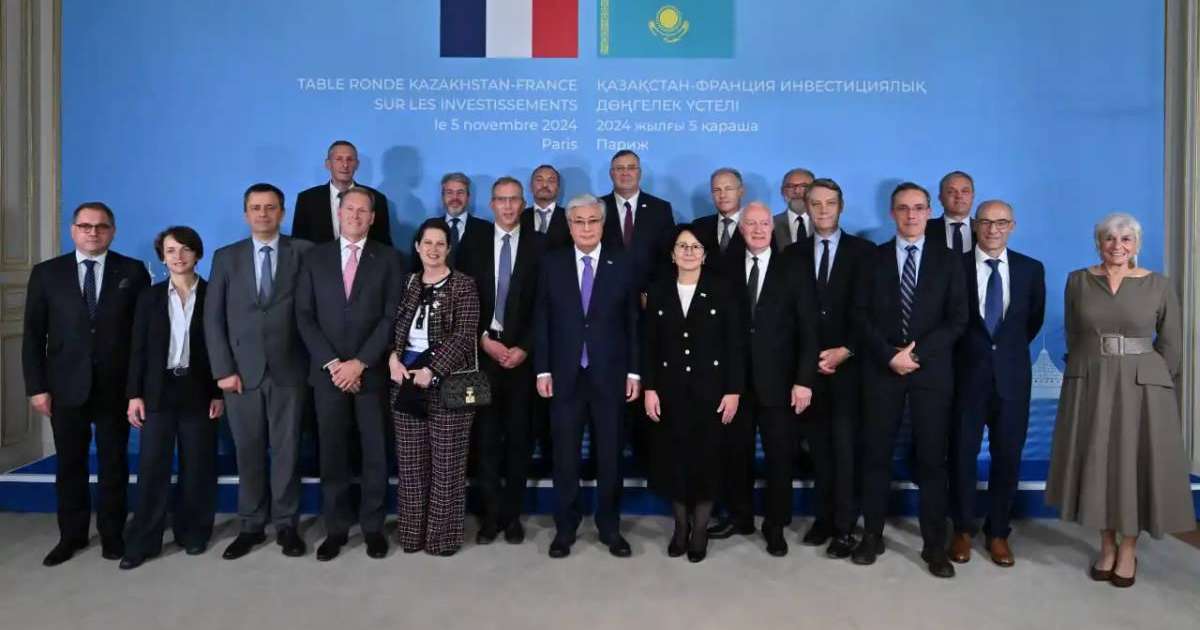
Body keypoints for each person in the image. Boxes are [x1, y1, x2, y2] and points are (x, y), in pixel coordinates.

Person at [1046, 212, 1195, 588]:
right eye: (1109, 239)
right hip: (1091, 383)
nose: (1117, 246)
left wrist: (1156, 381)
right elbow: (1073, 334)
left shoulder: (1158, 285)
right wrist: (1089, 368)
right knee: (1099, 463)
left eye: (1126, 239)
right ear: (1098, 243)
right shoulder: (1078, 282)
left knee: (1134, 464)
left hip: (1143, 389)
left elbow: (1172, 344)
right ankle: (1106, 544)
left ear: (1137, 246)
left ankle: (1128, 549)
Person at [22, 202, 150, 566]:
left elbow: (141, 336)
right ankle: (72, 536)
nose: (93, 232)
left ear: (113, 230)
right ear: (72, 230)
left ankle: (113, 536)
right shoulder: (47, 273)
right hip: (64, 388)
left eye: (101, 226)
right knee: (70, 464)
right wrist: (37, 387)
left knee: (114, 464)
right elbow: (33, 335)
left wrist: (136, 388)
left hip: (115, 388)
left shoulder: (133, 271)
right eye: (85, 226)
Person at [852, 182, 967, 578]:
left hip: (930, 374)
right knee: (875, 458)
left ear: (930, 211)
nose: (912, 215)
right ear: (892, 213)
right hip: (881, 373)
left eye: (919, 208)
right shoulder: (872, 259)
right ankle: (872, 536)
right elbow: (859, 316)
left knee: (933, 461)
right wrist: (889, 355)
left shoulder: (951, 261)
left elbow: (957, 320)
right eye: (903, 208)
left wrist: (915, 355)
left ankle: (935, 546)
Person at [205, 183, 313, 560]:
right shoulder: (225, 257)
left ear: (282, 212)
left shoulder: (303, 252)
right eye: (256, 208)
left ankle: (286, 524)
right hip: (240, 375)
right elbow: (213, 319)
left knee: (286, 451)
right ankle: (250, 525)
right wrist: (222, 371)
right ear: (246, 213)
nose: (263, 214)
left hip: (290, 370)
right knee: (248, 451)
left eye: (270, 207)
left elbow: (314, 311)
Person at [295, 187, 404, 561]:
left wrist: (360, 363)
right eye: (350, 209)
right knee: (332, 454)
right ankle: (336, 530)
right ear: (338, 214)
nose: (356, 216)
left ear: (373, 218)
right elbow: (304, 316)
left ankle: (373, 528)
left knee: (375, 454)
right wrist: (334, 364)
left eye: (363, 211)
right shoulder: (314, 257)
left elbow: (392, 317)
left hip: (370, 375)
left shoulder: (390, 259)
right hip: (328, 376)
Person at [534, 193, 641, 559]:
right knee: (564, 455)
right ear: (568, 225)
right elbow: (542, 320)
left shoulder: (623, 263)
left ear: (603, 223)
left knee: (610, 454)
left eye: (592, 221)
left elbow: (633, 323)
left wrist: (635, 372)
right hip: (564, 375)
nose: (585, 228)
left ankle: (610, 527)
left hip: (610, 376)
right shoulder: (551, 263)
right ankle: (565, 528)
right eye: (578, 221)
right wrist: (543, 369)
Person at [947, 200, 1045, 567]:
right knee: (961, 457)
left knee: (1008, 458)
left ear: (1012, 226)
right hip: (965, 378)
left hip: (1011, 380)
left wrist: (1002, 353)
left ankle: (999, 531)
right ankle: (961, 529)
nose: (993, 229)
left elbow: (1029, 324)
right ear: (974, 225)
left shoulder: (1030, 269)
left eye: (1001, 222)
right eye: (986, 222)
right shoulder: (953, 267)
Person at [717, 202, 817, 557]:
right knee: (735, 455)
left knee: (780, 458)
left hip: (782, 383)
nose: (758, 230)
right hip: (735, 385)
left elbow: (809, 329)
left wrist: (804, 380)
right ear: (740, 228)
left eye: (763, 224)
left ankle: (776, 525)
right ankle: (740, 517)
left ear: (771, 229)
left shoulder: (794, 267)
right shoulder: (724, 266)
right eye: (751, 224)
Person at [120, 226, 223, 569]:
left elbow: (218, 350)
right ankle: (143, 540)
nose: (178, 257)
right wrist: (134, 394)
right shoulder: (148, 297)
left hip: (198, 390)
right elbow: (136, 351)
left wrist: (217, 392)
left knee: (198, 467)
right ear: (162, 256)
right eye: (170, 250)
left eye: (185, 249)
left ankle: (193, 533)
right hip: (157, 391)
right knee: (152, 468)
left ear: (197, 253)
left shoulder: (213, 294)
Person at [642, 225, 745, 562]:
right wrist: (650, 388)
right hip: (670, 391)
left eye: (695, 246)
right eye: (682, 246)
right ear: (672, 254)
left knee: (706, 461)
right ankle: (680, 526)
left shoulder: (723, 289)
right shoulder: (657, 290)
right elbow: (650, 346)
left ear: (705, 253)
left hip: (711, 391)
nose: (688, 252)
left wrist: (733, 390)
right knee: (674, 461)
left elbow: (734, 345)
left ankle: (700, 530)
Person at [790, 179, 875, 558]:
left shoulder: (865, 253)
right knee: (819, 452)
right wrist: (806, 365)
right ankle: (824, 519)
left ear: (841, 207)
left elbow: (877, 315)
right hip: (809, 373)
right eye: (815, 204)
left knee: (845, 452)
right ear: (805, 207)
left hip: (850, 371)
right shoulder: (792, 254)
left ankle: (845, 526)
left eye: (830, 203)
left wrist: (848, 350)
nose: (823, 210)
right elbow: (787, 318)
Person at [461, 178, 547, 545]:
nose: (508, 207)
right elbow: (462, 299)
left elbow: (546, 305)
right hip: (479, 359)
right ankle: (489, 516)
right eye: (501, 200)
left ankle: (512, 516)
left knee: (518, 439)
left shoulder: (541, 246)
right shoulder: (472, 243)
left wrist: (525, 347)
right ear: (491, 204)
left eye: (514, 200)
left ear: (523, 204)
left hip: (522, 361)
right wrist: (483, 339)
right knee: (483, 438)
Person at [388, 219, 480, 556]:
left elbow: (464, 334)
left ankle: (442, 538)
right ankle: (412, 535)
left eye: (440, 243)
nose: (433, 249)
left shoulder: (464, 285)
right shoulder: (407, 283)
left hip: (449, 384)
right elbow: (392, 326)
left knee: (448, 465)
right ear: (417, 246)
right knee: (411, 465)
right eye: (427, 243)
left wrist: (433, 369)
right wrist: (392, 359)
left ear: (449, 248)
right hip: (405, 382)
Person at [599, 150, 676, 292]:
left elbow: (668, 256)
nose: (625, 173)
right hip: (605, 293)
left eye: (631, 168)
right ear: (611, 174)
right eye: (619, 168)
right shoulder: (596, 207)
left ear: (639, 173)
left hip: (649, 294)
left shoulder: (660, 209)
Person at [292, 140, 393, 245]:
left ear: (357, 164)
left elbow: (384, 243)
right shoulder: (307, 199)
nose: (345, 165)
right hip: (319, 260)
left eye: (350, 159)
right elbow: (298, 244)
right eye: (339, 159)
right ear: (328, 164)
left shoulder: (376, 198)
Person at [693, 167, 748, 278]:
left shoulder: (757, 227)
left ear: (741, 191)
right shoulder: (699, 226)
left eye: (728, 189)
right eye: (716, 190)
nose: (722, 195)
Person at [438, 172, 491, 271]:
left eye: (460, 192)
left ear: (468, 197)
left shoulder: (486, 230)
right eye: (449, 192)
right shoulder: (429, 228)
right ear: (442, 197)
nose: (455, 198)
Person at [519, 164, 571, 251]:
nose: (545, 185)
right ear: (531, 187)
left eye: (551, 180)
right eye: (539, 180)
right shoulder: (518, 218)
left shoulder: (570, 217)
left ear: (558, 188)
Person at [927, 170, 975, 253]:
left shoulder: (984, 229)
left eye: (965, 191)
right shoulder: (925, 229)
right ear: (940, 198)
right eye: (951, 192)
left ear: (972, 196)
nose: (959, 196)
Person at [773, 167, 815, 250]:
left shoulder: (823, 223)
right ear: (782, 191)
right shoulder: (770, 224)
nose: (797, 191)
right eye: (790, 186)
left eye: (803, 186)